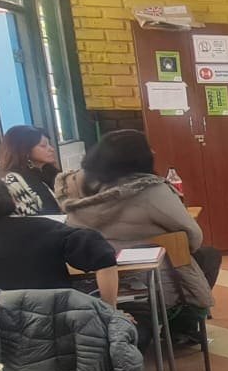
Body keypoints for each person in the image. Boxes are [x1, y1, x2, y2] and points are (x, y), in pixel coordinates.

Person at [57, 130, 217, 313]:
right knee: (207, 255)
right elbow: (193, 236)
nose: (153, 152)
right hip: (152, 283)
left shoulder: (76, 189)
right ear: (138, 158)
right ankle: (184, 319)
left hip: (89, 287)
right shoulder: (151, 191)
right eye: (148, 149)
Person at [0, 173, 119, 305]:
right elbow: (102, 255)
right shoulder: (44, 229)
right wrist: (110, 311)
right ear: (9, 198)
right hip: (52, 332)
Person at [0, 125, 62, 216]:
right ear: (25, 150)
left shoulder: (50, 172)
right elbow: (30, 217)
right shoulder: (13, 180)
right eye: (43, 146)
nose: (51, 149)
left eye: (49, 144)